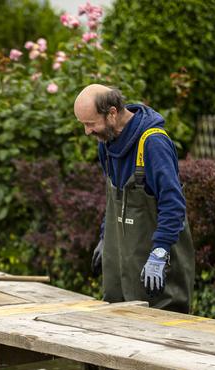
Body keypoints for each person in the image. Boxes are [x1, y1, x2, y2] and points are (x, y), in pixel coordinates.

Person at [73, 84, 194, 313]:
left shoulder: (153, 143)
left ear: (112, 113)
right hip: (122, 269)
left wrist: (160, 253)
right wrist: (104, 236)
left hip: (156, 270)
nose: (87, 131)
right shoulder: (107, 144)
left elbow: (173, 204)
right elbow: (114, 201)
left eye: (90, 123)